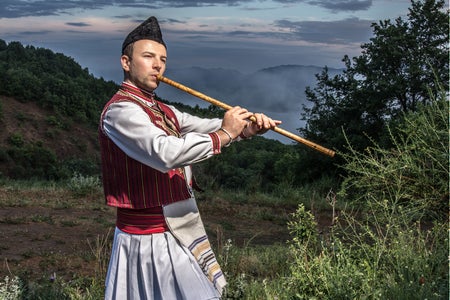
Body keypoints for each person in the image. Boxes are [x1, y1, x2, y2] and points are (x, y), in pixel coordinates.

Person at [99, 16, 281, 300]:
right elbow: (166, 152)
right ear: (126, 62)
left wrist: (246, 129)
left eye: (163, 59)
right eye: (148, 56)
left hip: (175, 228)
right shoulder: (120, 112)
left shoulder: (162, 109)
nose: (158, 65)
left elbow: (202, 125)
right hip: (145, 239)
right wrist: (225, 134)